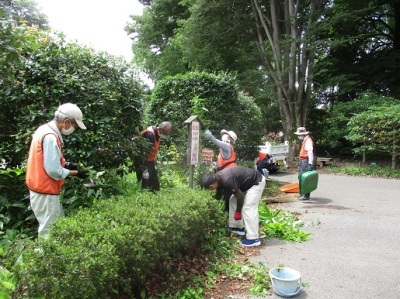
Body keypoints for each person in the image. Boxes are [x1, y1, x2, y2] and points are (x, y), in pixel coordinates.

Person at [26, 103, 89, 239]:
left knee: (57, 224)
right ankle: (46, 258)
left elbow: (44, 159)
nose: (74, 129)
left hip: (39, 188)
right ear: (66, 122)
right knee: (49, 231)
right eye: (74, 126)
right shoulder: (50, 137)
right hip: (45, 190)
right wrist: (77, 173)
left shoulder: (43, 129)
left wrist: (66, 164)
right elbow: (53, 170)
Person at [199, 166, 266, 247]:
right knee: (232, 200)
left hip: (256, 182)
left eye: (209, 189)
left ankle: (253, 238)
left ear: (211, 186)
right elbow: (218, 195)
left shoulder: (227, 179)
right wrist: (211, 207)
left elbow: (240, 196)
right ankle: (237, 227)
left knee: (248, 208)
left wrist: (238, 212)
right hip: (247, 184)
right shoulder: (217, 178)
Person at [203, 129, 238, 211]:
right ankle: (218, 211)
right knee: (219, 191)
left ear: (230, 139)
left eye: (227, 134)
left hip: (230, 174)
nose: (225, 135)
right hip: (226, 173)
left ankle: (228, 215)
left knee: (228, 196)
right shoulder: (224, 148)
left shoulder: (227, 146)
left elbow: (216, 141)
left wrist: (209, 135)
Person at [135, 121, 173, 192]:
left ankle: (154, 195)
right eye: (165, 134)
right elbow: (144, 152)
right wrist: (144, 167)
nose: (166, 135)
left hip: (150, 160)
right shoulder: (149, 134)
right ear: (161, 129)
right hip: (143, 161)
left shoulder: (157, 134)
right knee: (146, 181)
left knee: (154, 182)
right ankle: (144, 196)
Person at [294, 127, 315, 200]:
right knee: (301, 177)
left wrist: (310, 164)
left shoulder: (308, 141)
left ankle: (306, 195)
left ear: (303, 134)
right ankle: (303, 193)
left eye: (299, 135)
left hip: (305, 161)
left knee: (305, 178)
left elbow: (310, 153)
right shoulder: (305, 140)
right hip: (303, 160)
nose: (298, 136)